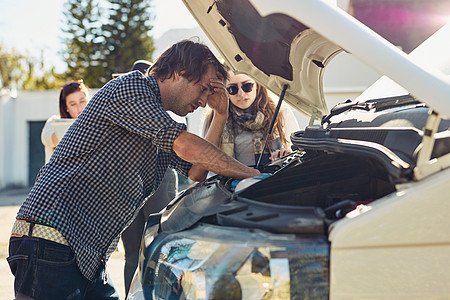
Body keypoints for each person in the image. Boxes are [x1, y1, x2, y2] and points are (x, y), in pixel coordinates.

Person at [7, 40, 260, 299]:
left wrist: (220, 115)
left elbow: (197, 172)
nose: (205, 101)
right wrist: (256, 177)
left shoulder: (157, 122)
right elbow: (188, 147)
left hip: (85, 255)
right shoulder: (131, 87)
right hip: (50, 241)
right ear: (179, 71)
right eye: (205, 89)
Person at [116, 59, 181, 295]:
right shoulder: (122, 111)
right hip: (126, 187)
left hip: (160, 181)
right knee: (132, 252)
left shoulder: (170, 112)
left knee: (160, 247)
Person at [201, 69, 299, 168]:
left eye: (247, 86)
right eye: (232, 89)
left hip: (275, 179)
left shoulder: (280, 111)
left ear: (257, 84)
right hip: (235, 182)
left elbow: (297, 151)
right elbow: (206, 159)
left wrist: (284, 155)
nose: (241, 93)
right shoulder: (215, 117)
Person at [41, 80, 89, 162]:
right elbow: (48, 139)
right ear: (66, 107)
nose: (79, 107)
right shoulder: (54, 121)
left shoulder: (96, 123)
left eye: (82, 101)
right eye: (73, 104)